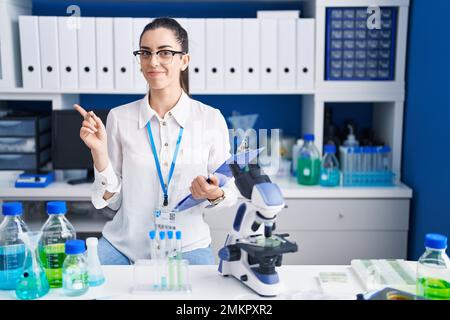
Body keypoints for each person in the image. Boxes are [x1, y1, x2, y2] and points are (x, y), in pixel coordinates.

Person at [74, 17, 238, 265]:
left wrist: (214, 193)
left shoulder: (210, 119)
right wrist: (99, 154)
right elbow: (110, 202)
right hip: (124, 247)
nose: (153, 61)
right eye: (145, 53)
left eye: (165, 53)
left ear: (184, 60)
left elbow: (230, 191)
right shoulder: (119, 118)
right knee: (80, 285)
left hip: (187, 245)